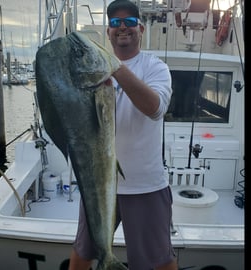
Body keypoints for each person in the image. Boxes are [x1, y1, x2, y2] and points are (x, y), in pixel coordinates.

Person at [69, 0, 177, 269]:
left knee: (159, 261)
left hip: (145, 184)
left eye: (129, 22)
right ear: (108, 32)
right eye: (115, 23)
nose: (122, 28)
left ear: (140, 28)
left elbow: (155, 108)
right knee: (82, 253)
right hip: (98, 183)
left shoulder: (156, 67)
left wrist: (114, 67)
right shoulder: (90, 69)